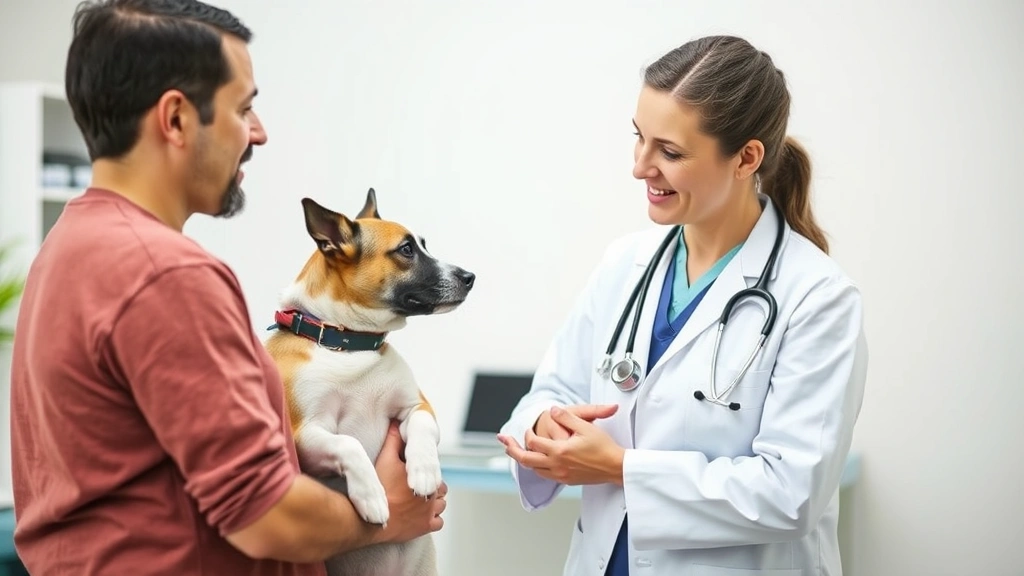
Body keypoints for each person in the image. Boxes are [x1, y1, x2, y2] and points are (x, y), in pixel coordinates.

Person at [8, 1, 446, 574]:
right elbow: (267, 516)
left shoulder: (67, 247)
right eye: (244, 109)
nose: (258, 133)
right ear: (176, 119)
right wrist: (391, 510)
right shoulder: (166, 274)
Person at [498, 35, 868, 576]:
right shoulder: (624, 264)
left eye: (669, 152)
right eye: (639, 139)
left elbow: (791, 493)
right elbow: (552, 393)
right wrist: (545, 430)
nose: (640, 167)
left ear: (746, 158)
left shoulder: (817, 298)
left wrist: (622, 469)